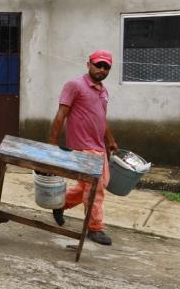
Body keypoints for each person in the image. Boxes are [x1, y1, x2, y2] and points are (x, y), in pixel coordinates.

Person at [47, 50, 119, 246]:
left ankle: (61, 204)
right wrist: (52, 144)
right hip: (82, 148)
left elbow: (101, 119)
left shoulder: (103, 91)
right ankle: (95, 228)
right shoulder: (74, 85)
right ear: (89, 64)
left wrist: (110, 141)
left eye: (106, 67)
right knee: (95, 189)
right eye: (98, 65)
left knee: (91, 186)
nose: (102, 69)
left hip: (99, 147)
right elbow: (61, 114)